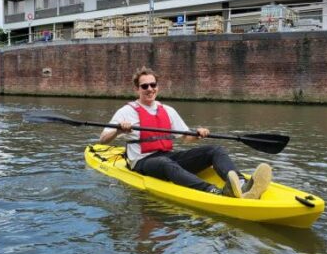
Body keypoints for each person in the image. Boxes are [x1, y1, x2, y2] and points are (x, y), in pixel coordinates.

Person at [99, 66, 272, 199]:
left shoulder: (167, 110)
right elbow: (103, 140)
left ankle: (242, 185)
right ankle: (216, 192)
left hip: (168, 156)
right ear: (137, 89)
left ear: (157, 87)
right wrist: (118, 129)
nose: (150, 89)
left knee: (215, 150)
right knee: (165, 163)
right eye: (145, 86)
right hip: (143, 162)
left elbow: (186, 137)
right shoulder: (126, 111)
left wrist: (197, 134)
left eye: (153, 85)